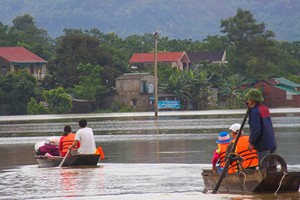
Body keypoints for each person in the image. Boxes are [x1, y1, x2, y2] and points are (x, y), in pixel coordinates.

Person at [245, 88, 277, 162]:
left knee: (264, 167)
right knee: (272, 168)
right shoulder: (264, 108)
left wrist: (251, 142)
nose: (247, 101)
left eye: (248, 99)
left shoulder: (255, 112)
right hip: (271, 143)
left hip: (263, 145)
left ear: (252, 100)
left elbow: (256, 130)